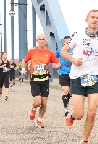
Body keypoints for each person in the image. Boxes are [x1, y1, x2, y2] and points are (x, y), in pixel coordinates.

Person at [61, 9, 98, 144]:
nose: (95, 20)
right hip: (77, 78)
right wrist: (73, 60)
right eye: (93, 17)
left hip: (94, 78)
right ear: (86, 20)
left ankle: (84, 140)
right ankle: (72, 114)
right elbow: (63, 51)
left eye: (97, 18)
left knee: (92, 112)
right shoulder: (77, 34)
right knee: (79, 115)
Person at [22, 33, 60, 128]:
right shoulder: (32, 51)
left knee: (44, 103)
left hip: (45, 80)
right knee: (38, 102)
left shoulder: (50, 52)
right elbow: (24, 60)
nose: (42, 41)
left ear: (46, 40)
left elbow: (56, 62)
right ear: (37, 41)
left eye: (43, 39)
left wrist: (56, 66)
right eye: (40, 39)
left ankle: (39, 120)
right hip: (34, 80)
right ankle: (33, 108)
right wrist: (23, 69)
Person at [55, 36, 73, 116]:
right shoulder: (60, 51)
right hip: (63, 73)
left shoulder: (75, 51)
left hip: (74, 74)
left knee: (71, 93)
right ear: (64, 43)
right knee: (65, 90)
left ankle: (70, 104)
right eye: (66, 42)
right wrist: (55, 64)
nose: (67, 43)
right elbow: (53, 58)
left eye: (69, 42)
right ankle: (66, 109)